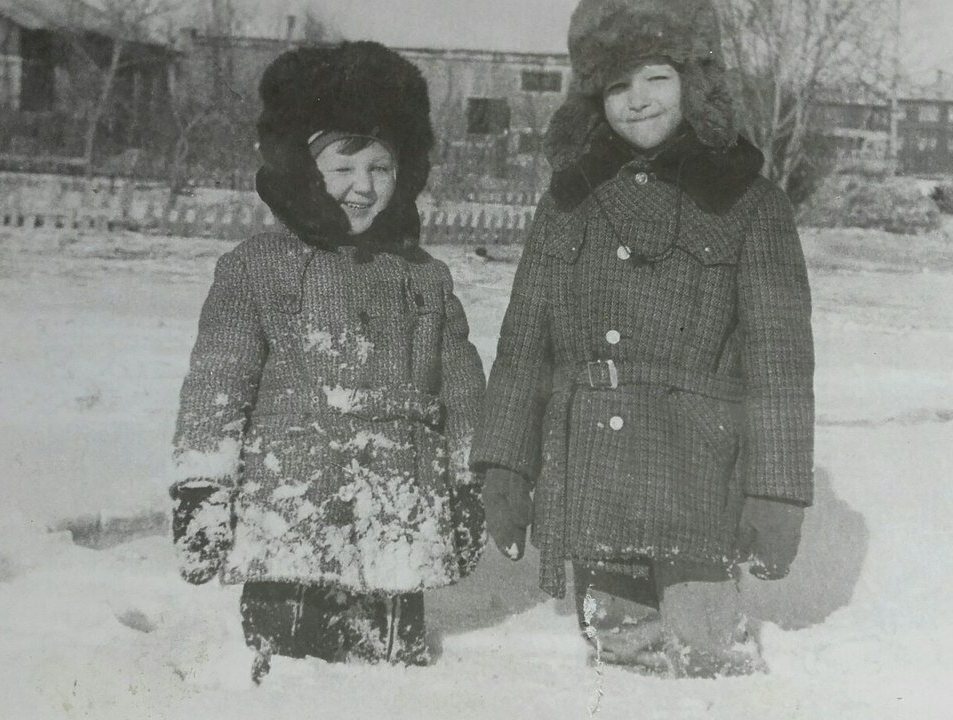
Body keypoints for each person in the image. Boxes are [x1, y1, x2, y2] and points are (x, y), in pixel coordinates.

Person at [471, 0, 815, 678]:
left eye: (656, 77)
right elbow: (523, 349)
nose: (637, 101)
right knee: (622, 663)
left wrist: (777, 491)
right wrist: (504, 466)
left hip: (698, 481)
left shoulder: (750, 202)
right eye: (617, 85)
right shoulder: (568, 200)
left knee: (707, 657)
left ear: (696, 80)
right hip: (596, 476)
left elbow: (779, 363)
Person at [168, 41, 486, 680]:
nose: (364, 187)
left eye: (382, 167)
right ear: (299, 166)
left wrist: (472, 478)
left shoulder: (425, 278)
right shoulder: (255, 268)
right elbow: (217, 383)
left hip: (399, 507)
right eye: (343, 167)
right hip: (292, 510)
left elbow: (462, 387)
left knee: (386, 679)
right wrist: (201, 487)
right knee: (291, 677)